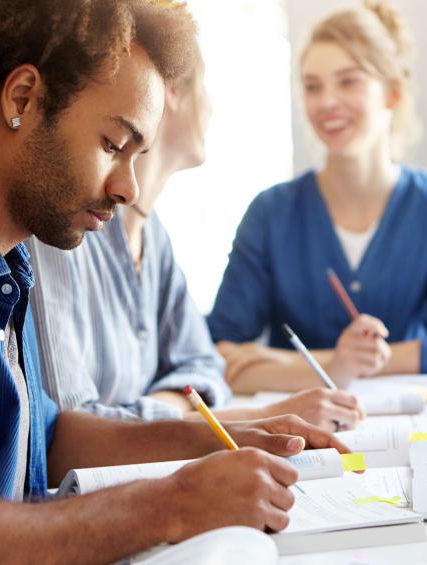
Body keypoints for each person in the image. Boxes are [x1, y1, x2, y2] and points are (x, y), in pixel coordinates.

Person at [0, 2, 346, 562]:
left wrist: (226, 437)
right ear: (22, 98)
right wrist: (174, 503)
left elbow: (46, 437)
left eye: (138, 155)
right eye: (112, 145)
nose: (129, 190)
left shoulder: (2, 262)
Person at [26, 51, 365, 431]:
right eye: (204, 86)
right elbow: (72, 430)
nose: (212, 108)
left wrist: (160, 408)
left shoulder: (154, 237)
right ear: (170, 91)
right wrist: (191, 411)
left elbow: (204, 365)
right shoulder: (67, 227)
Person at [207, 0, 427, 394]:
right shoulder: (270, 213)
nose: (326, 102)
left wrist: (355, 360)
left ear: (392, 93)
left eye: (349, 81)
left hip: (412, 427)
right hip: (300, 434)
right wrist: (336, 362)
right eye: (312, 86)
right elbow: (218, 352)